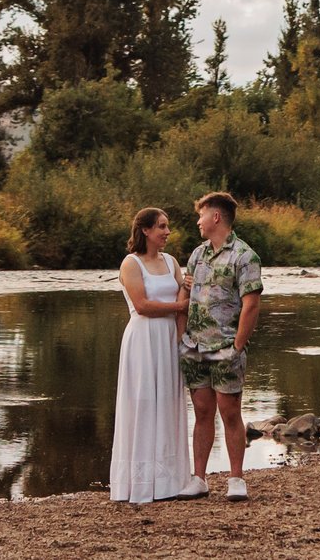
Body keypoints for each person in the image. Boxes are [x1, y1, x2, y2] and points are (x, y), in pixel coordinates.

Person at [109, 206, 204, 503]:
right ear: (146, 230)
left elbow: (181, 296)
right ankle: (138, 483)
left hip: (167, 339)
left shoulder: (171, 261)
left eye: (167, 226)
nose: (167, 232)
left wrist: (180, 336)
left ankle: (169, 481)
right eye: (162, 227)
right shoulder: (131, 264)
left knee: (167, 402)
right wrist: (179, 307)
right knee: (143, 403)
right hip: (142, 339)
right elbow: (142, 305)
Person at [181, 190, 263, 502]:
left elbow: (251, 306)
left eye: (201, 215)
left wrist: (237, 346)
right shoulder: (197, 255)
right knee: (202, 412)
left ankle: (236, 479)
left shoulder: (245, 256)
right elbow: (186, 296)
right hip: (195, 349)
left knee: (230, 413)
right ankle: (199, 479)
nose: (198, 222)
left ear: (216, 217)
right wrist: (181, 341)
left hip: (226, 348)